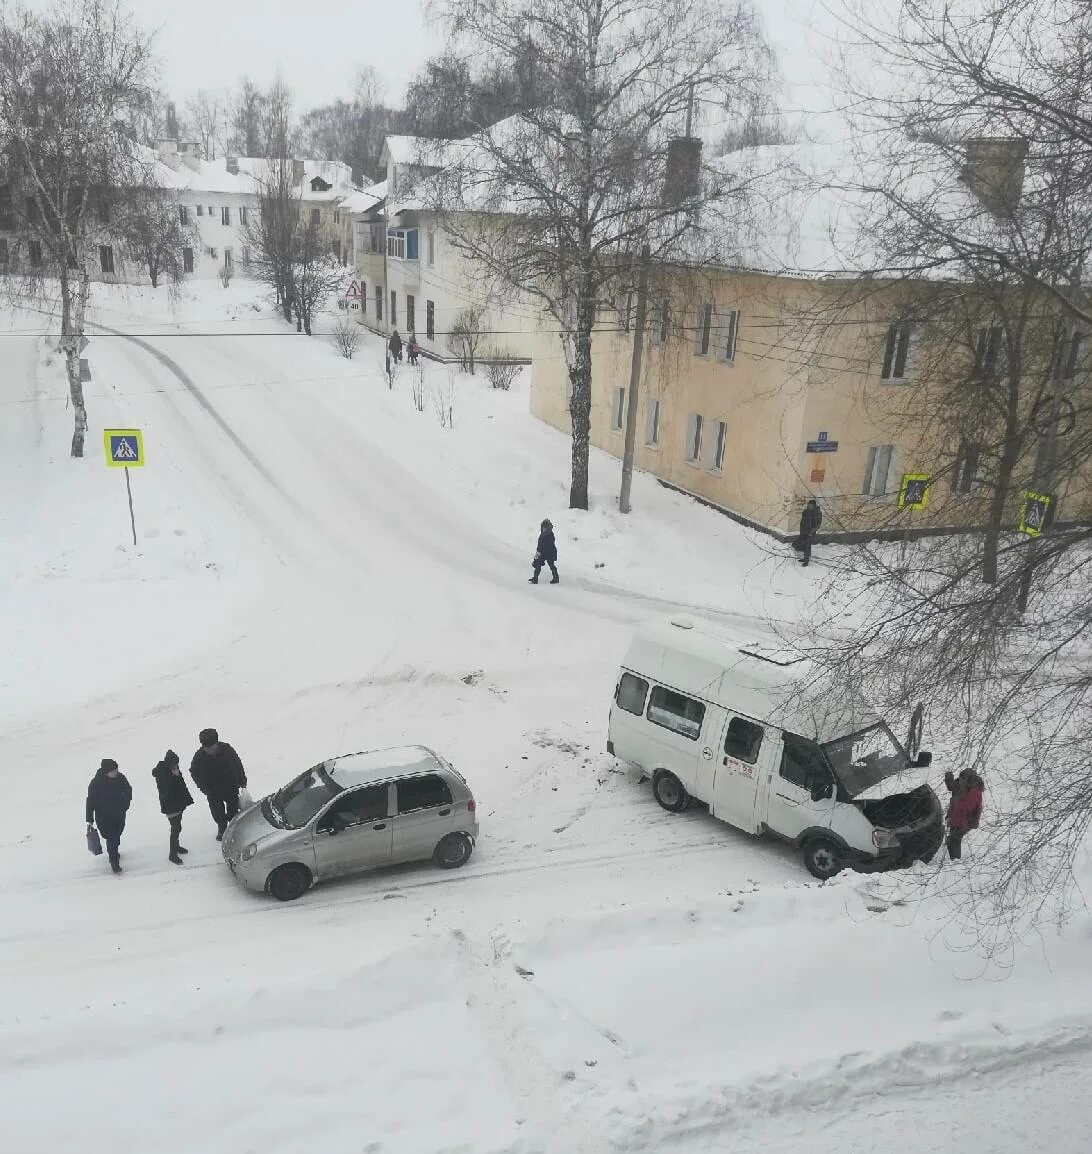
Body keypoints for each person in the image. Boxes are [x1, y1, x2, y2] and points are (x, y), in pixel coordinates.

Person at [190, 728, 248, 840]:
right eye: (206, 748)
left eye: (211, 748)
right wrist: (204, 788)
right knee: (217, 813)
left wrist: (242, 779)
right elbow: (194, 773)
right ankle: (222, 828)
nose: (209, 750)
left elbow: (237, 764)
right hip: (213, 791)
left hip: (230, 787)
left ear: (216, 744)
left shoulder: (227, 750)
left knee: (233, 811)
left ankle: (233, 829)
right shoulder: (199, 757)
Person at [85, 758, 132, 874]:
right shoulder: (96, 783)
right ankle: (114, 861)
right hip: (104, 817)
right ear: (106, 772)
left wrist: (125, 805)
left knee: (117, 834)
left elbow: (128, 790)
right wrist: (89, 819)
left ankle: (114, 851)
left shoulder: (120, 778)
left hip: (119, 814)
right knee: (112, 837)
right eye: (113, 771)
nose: (116, 772)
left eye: (116, 770)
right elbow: (90, 801)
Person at [153, 750, 194, 864]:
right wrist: (175, 776)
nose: (177, 766)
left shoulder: (173, 770)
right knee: (175, 829)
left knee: (177, 827)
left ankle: (177, 847)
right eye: (175, 764)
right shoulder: (163, 773)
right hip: (170, 805)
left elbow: (181, 785)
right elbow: (167, 790)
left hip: (178, 804)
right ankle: (172, 854)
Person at [944, 768, 984, 860]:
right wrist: (949, 779)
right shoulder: (962, 784)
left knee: (954, 839)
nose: (960, 781)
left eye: (962, 779)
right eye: (960, 778)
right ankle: (954, 860)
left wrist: (952, 815)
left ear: (968, 779)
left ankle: (955, 860)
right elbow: (952, 786)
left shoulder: (975, 790)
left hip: (966, 820)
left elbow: (964, 807)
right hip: (956, 819)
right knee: (952, 840)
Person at [530, 518, 559, 584]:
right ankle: (535, 578)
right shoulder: (542, 534)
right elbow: (539, 544)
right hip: (542, 553)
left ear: (548, 528)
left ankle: (556, 578)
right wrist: (537, 553)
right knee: (537, 565)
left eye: (545, 528)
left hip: (550, 553)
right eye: (543, 527)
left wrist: (541, 552)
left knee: (551, 565)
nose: (543, 529)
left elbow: (549, 546)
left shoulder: (550, 535)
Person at [796, 498, 823, 566]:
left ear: (814, 505)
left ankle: (806, 561)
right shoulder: (806, 511)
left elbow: (818, 524)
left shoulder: (818, 513)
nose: (809, 506)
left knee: (807, 546)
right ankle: (805, 558)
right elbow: (802, 522)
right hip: (803, 531)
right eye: (809, 504)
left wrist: (811, 532)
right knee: (803, 545)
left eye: (811, 505)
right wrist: (801, 531)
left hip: (810, 532)